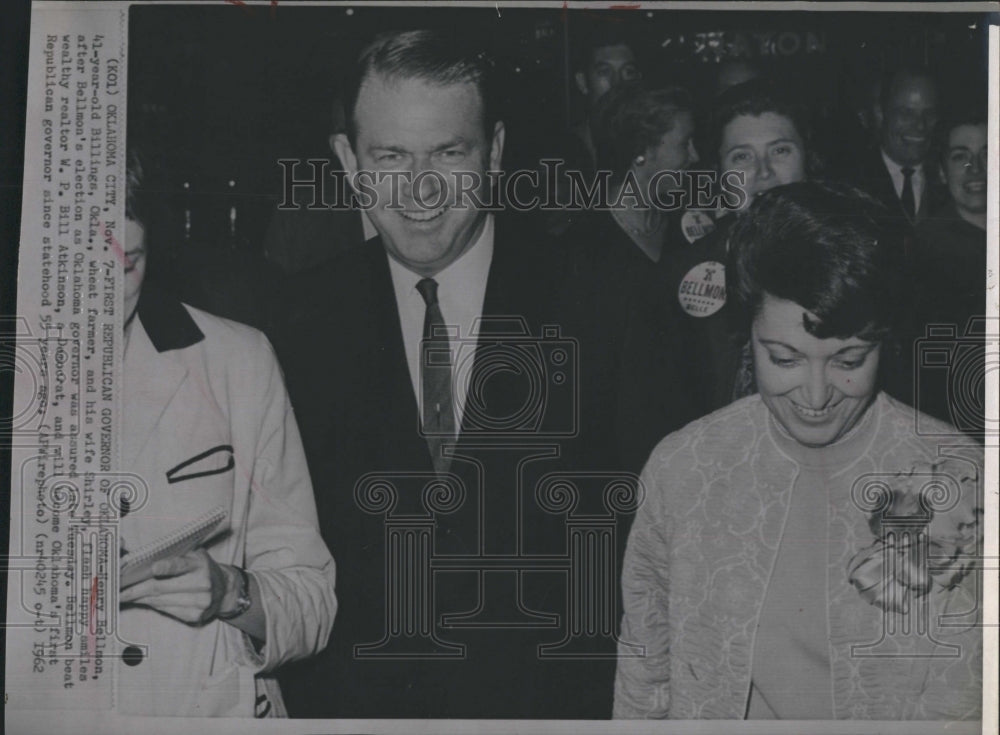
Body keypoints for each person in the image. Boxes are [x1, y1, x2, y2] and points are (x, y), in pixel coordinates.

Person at [270, 29, 684, 719]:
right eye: (391, 155)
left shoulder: (606, 302)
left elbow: (659, 541)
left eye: (448, 152)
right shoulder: (296, 321)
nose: (421, 188)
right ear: (347, 159)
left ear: (493, 152)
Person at [614, 182, 983, 720]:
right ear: (748, 336)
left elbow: (965, 705)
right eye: (784, 359)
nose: (815, 397)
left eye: (849, 360)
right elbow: (644, 675)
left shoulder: (960, 479)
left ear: (886, 342)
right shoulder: (686, 467)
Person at [116, 151, 337, 717]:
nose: (97, 299)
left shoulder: (238, 361)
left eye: (125, 266)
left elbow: (312, 600)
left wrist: (228, 592)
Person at [661, 78, 817, 414]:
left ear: (808, 157)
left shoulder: (851, 263)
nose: (763, 172)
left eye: (780, 150)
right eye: (742, 156)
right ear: (719, 173)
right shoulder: (682, 273)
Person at [907, 105, 989, 436]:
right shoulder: (925, 251)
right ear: (941, 172)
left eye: (988, 153)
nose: (976, 169)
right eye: (960, 156)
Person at [847, 66, 947, 226]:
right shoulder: (849, 181)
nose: (920, 125)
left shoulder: (951, 178)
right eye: (907, 113)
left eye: (929, 113)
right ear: (880, 113)